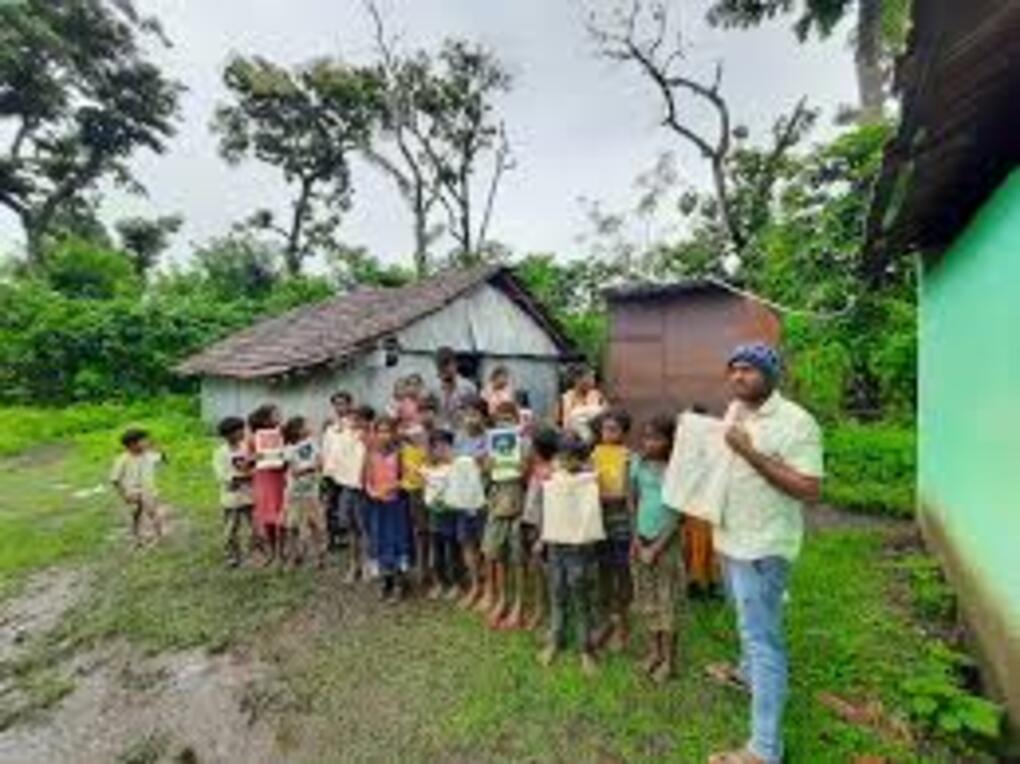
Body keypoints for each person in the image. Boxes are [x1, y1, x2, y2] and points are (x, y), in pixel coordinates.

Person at [707, 343, 823, 764]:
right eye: (734, 369)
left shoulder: (796, 422)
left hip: (762, 545)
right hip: (730, 535)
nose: (738, 376)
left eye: (749, 369)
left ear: (771, 375)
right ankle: (745, 675)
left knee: (763, 639)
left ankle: (764, 749)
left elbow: (810, 488)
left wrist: (750, 452)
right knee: (744, 618)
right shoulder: (735, 411)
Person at [533, 431, 603, 676]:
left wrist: (589, 473)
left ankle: (586, 649)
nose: (565, 462)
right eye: (562, 457)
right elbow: (545, 511)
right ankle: (555, 640)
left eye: (572, 457)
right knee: (557, 593)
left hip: (580, 550)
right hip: (556, 547)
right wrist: (541, 538)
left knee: (581, 596)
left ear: (581, 459)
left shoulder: (589, 481)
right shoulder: (552, 480)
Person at [630, 414, 683, 684]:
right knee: (647, 599)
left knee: (667, 600)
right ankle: (654, 652)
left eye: (657, 438)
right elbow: (632, 500)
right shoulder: (638, 463)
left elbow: (676, 515)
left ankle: (670, 662)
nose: (649, 443)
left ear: (671, 441)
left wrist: (656, 547)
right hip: (641, 540)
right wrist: (637, 540)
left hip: (666, 546)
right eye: (646, 437)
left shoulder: (676, 469)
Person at [481, 400, 527, 629]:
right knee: (496, 554)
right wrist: (487, 467)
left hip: (518, 505)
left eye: (508, 419)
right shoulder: (491, 444)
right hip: (497, 504)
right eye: (499, 420)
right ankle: (502, 598)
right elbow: (486, 478)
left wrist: (523, 467)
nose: (504, 424)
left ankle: (519, 603)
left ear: (517, 421)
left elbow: (530, 478)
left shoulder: (525, 444)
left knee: (517, 558)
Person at [591, 409, 634, 652]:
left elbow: (625, 494)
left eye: (613, 429)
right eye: (604, 429)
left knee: (622, 573)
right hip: (598, 521)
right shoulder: (595, 453)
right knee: (602, 572)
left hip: (621, 523)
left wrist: (601, 495)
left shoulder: (628, 456)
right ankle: (606, 621)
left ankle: (623, 626)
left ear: (624, 432)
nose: (607, 434)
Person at [363, 416, 413, 601]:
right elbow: (366, 479)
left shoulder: (400, 453)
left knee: (397, 539)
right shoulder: (370, 455)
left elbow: (406, 477)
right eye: (380, 431)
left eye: (387, 431)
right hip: (377, 505)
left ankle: (400, 581)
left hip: (396, 504)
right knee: (380, 540)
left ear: (394, 433)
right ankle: (386, 580)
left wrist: (394, 487)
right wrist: (372, 492)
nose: (384, 435)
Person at [450, 396, 489, 609]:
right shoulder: (459, 437)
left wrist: (481, 464)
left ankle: (489, 588)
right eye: (466, 414)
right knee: (466, 542)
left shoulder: (492, 438)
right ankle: (475, 585)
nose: (470, 419)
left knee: (486, 546)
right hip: (463, 500)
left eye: (475, 414)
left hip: (484, 500)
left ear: (484, 416)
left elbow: (491, 467)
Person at [520, 426, 559, 631]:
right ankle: (539, 608)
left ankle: (549, 612)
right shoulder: (537, 468)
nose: (529, 449)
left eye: (532, 446)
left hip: (544, 531)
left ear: (540, 449)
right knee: (536, 570)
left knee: (547, 572)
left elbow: (550, 508)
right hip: (532, 525)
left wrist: (542, 537)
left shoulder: (551, 473)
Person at [684, 402, 723, 598]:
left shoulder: (714, 442)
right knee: (694, 542)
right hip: (692, 503)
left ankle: (710, 582)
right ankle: (696, 582)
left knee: (708, 543)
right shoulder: (684, 444)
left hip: (707, 500)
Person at [282, 416, 327, 568]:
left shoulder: (313, 443)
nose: (310, 426)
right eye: (306, 425)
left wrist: (312, 468)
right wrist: (311, 468)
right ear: (298, 430)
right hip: (294, 493)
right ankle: (295, 555)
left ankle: (320, 556)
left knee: (316, 524)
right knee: (292, 525)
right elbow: (294, 471)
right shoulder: (289, 448)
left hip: (312, 492)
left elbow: (320, 462)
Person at [110, 427, 165, 547]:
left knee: (152, 512)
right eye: (143, 440)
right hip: (132, 492)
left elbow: (163, 458)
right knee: (135, 514)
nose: (147, 442)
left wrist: (156, 446)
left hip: (148, 490)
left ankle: (158, 536)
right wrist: (123, 495)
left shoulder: (149, 455)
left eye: (146, 440)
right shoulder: (122, 459)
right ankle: (137, 537)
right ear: (132, 444)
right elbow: (115, 480)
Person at [422, 428, 459, 600]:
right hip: (434, 516)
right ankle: (439, 582)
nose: (441, 450)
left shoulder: (456, 466)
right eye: (436, 447)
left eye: (445, 446)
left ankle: (455, 583)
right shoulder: (428, 468)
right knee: (436, 552)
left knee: (452, 552)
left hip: (452, 516)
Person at [212, 416, 254, 567]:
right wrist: (236, 479)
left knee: (254, 526)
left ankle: (255, 552)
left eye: (243, 429)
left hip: (250, 495)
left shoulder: (247, 448)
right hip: (231, 497)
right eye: (239, 430)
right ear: (228, 434)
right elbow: (220, 474)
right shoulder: (220, 452)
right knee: (231, 529)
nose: (243, 433)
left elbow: (254, 463)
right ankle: (232, 556)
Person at [249, 404, 287, 566]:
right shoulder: (254, 438)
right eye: (275, 415)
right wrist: (255, 457)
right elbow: (248, 459)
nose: (279, 417)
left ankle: (281, 551)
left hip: (280, 478)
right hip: (263, 479)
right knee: (267, 517)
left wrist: (284, 455)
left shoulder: (284, 435)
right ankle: (272, 550)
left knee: (282, 516)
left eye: (279, 414)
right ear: (264, 419)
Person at [321, 390, 355, 552]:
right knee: (331, 505)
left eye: (342, 404)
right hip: (332, 473)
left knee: (347, 505)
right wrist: (325, 471)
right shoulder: (330, 427)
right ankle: (333, 539)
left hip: (348, 473)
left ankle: (348, 535)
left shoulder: (355, 424)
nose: (339, 407)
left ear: (350, 404)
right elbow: (326, 449)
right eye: (336, 404)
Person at [559, 364, 607, 441]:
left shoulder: (598, 396)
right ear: (577, 380)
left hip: (596, 433)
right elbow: (558, 423)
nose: (592, 381)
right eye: (589, 378)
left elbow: (607, 416)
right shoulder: (565, 398)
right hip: (572, 437)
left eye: (593, 378)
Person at [434, 346, 478, 429]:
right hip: (441, 429)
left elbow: (474, 411)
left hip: (463, 429)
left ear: (455, 364)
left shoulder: (468, 387)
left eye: (448, 364)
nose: (445, 369)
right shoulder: (434, 388)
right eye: (441, 366)